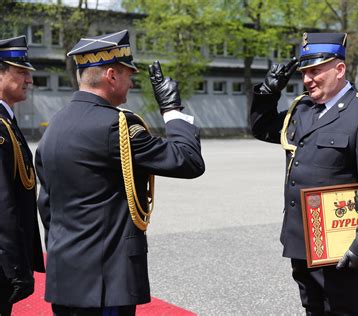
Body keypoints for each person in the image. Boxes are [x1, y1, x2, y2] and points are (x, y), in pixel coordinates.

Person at [35, 30, 205, 316]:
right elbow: (187, 161)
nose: (132, 81)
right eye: (128, 74)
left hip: (66, 279)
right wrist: (172, 110)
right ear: (111, 75)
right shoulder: (115, 127)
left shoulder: (55, 126)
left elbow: (47, 206)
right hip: (105, 283)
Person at [250, 32, 358, 315]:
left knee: (342, 310)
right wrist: (269, 90)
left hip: (340, 245)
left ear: (339, 69)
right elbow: (262, 128)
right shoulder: (302, 109)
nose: (307, 79)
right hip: (303, 239)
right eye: (304, 72)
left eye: (315, 70)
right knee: (313, 308)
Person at [0, 35, 45, 315]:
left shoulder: (7, 123)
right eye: (20, 71)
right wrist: (15, 267)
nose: (28, 79)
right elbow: (2, 203)